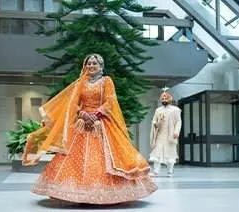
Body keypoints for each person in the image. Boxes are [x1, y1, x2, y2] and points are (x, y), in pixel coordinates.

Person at [22, 54, 157, 204]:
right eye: (89, 64)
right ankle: (76, 193)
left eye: (94, 63)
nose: (91, 66)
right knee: (72, 157)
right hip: (82, 123)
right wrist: (82, 113)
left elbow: (110, 100)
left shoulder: (106, 81)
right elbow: (74, 103)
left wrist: (97, 114)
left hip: (101, 123)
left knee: (105, 158)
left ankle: (108, 194)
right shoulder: (81, 83)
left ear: (101, 66)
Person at [149, 88, 182, 177]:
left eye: (166, 98)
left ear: (169, 99)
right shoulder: (158, 110)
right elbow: (154, 121)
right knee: (157, 153)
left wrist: (176, 132)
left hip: (170, 135)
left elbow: (178, 122)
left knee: (170, 154)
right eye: (163, 99)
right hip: (160, 135)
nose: (164, 100)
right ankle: (156, 171)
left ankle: (170, 172)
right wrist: (157, 123)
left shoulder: (175, 110)